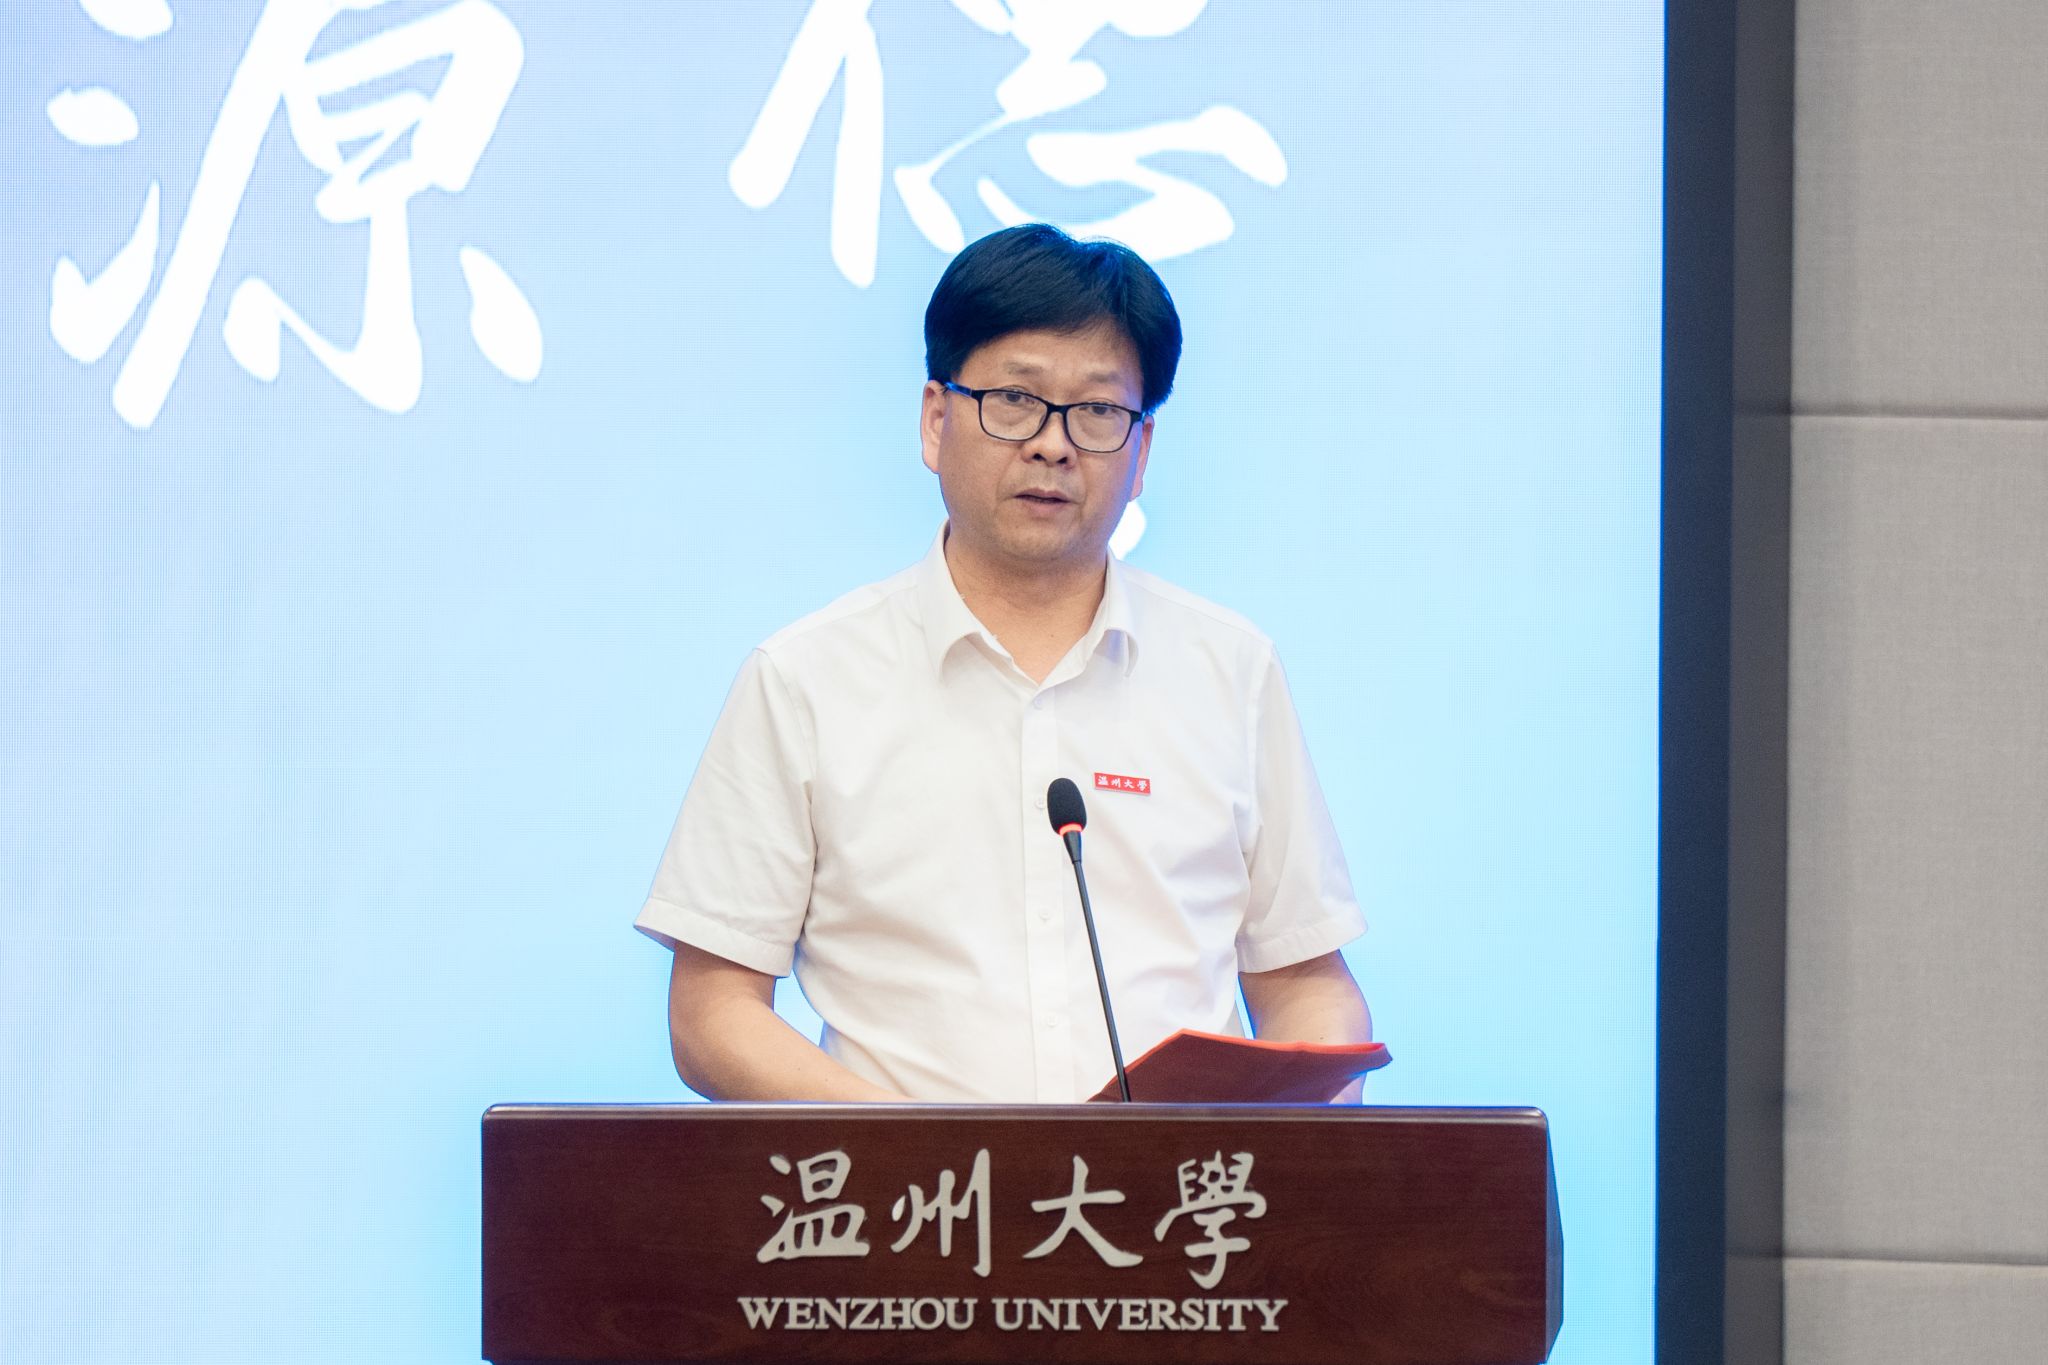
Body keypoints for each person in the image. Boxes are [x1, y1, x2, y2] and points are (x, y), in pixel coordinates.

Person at [636, 223, 1371, 1103]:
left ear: (1141, 452)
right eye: (1015, 399)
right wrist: (924, 1152)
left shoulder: (1230, 670)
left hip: (1170, 1190)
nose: (1053, 444)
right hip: (911, 1188)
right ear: (935, 420)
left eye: (1098, 411)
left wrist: (1300, 1144)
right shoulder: (805, 679)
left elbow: (1307, 984)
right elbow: (712, 1011)